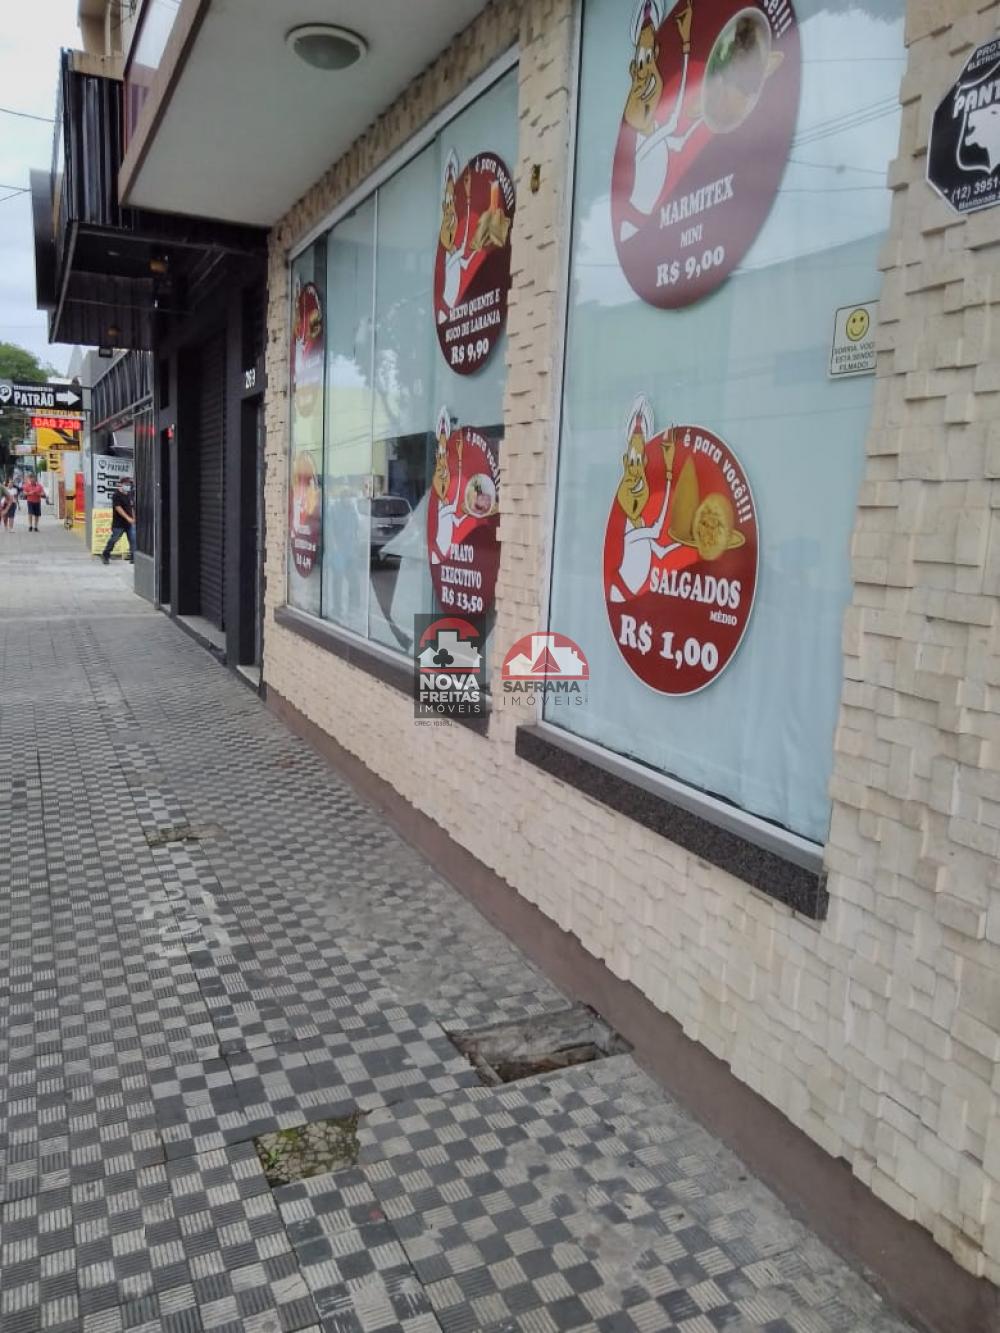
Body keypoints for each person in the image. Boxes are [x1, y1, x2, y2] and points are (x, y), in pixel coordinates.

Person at [101, 477, 135, 564]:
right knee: (114, 539)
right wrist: (128, 518)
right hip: (118, 523)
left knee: (133, 539)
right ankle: (105, 554)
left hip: (129, 523)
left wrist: (133, 517)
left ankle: (134, 557)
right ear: (121, 484)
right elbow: (118, 508)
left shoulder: (129, 495)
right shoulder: (116, 495)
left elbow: (131, 507)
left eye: (129, 484)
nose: (128, 486)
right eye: (126, 484)